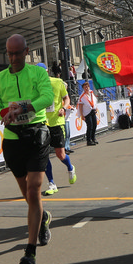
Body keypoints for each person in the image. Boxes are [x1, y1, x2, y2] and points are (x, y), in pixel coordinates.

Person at [0, 34, 54, 264]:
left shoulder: (37, 73)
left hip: (36, 134)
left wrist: (24, 108)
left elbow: (47, 97)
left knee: (34, 188)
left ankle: (30, 252)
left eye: (18, 53)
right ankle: (42, 218)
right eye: (10, 53)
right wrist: (5, 113)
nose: (14, 57)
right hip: (12, 139)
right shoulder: (0, 78)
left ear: (27, 52)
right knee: (27, 194)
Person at [42, 68, 77, 196]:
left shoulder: (57, 82)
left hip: (57, 122)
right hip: (42, 123)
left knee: (60, 154)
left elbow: (67, 98)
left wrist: (64, 107)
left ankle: (70, 167)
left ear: (46, 72)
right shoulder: (33, 85)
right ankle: (51, 183)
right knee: (44, 155)